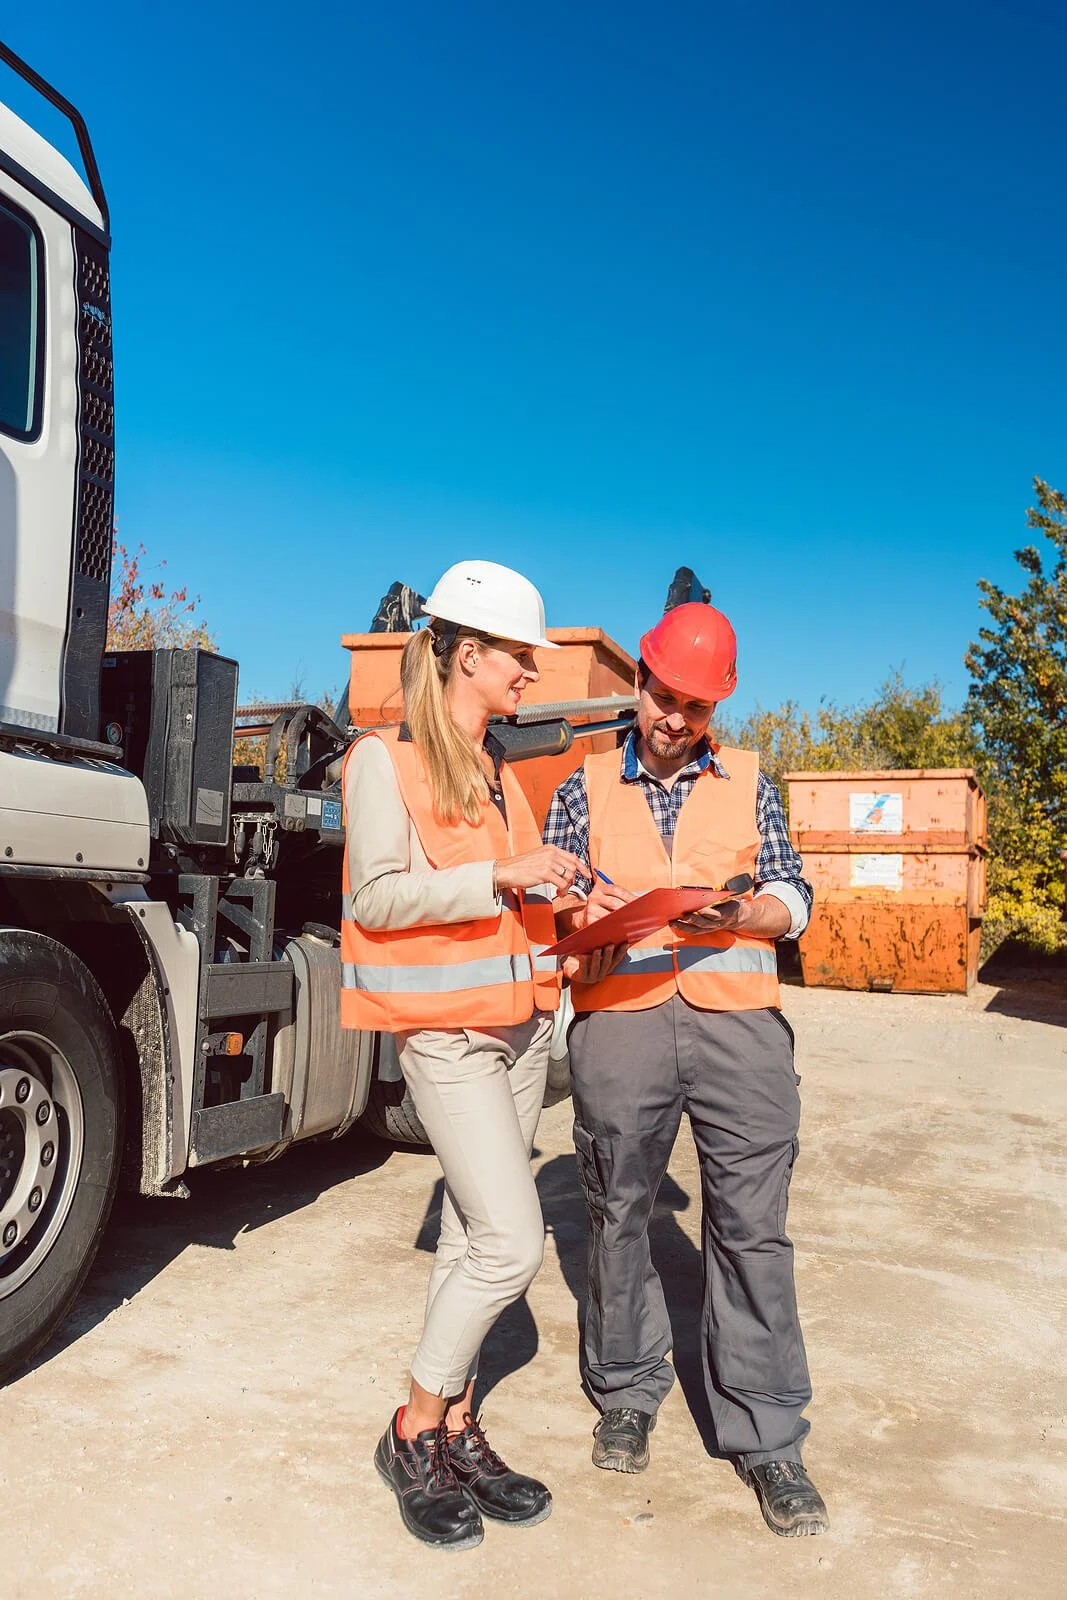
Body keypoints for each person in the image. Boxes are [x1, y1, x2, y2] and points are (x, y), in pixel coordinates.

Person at [543, 601, 830, 1538]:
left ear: (718, 707)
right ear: (638, 685)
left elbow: (794, 890)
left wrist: (745, 918)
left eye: (696, 707)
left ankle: (769, 1438)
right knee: (619, 1211)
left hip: (738, 1028)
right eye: (664, 697)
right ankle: (626, 1390)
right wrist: (578, 922)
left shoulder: (748, 779)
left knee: (751, 1228)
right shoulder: (582, 786)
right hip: (620, 1024)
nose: (675, 719)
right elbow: (555, 908)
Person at [341, 559, 585, 1553]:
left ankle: (455, 1424)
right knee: (511, 1244)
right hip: (446, 1038)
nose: (530, 671)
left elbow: (514, 899)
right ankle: (410, 1428)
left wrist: (572, 902)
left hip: (520, 1028)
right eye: (518, 656)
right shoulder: (379, 761)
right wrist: (500, 871)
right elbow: (376, 899)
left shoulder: (494, 771)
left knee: (465, 1241)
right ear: (466, 653)